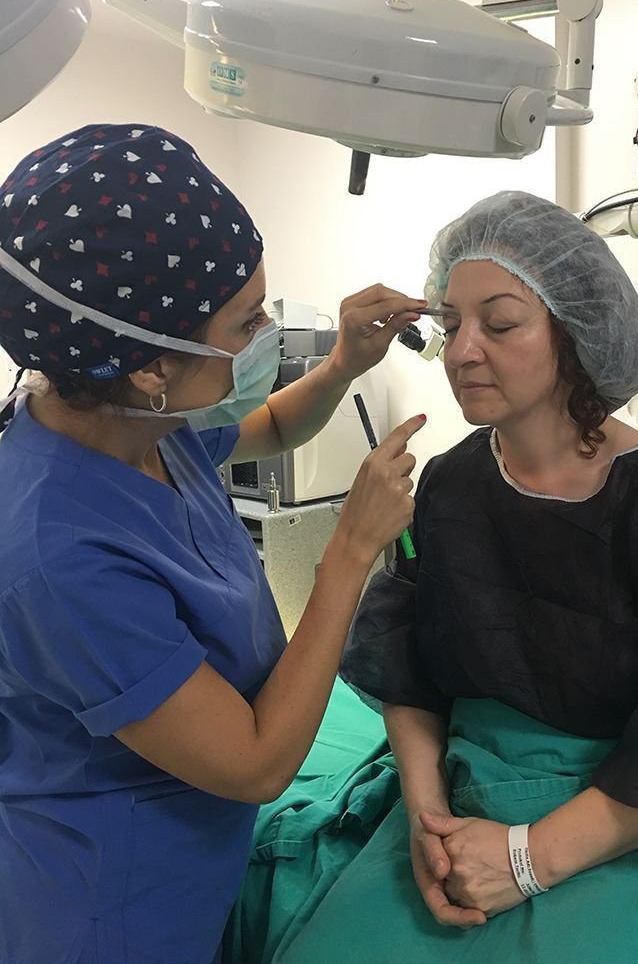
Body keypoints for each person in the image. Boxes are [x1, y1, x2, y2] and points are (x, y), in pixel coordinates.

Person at [256, 191, 638, 964]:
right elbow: (406, 662)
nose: (461, 351)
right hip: (458, 788)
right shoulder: (448, 484)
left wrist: (527, 859)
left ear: (577, 333)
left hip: (633, 815)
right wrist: (425, 814)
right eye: (451, 324)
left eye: (501, 323)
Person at [0, 123, 427, 964]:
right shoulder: (57, 552)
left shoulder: (134, 421)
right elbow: (257, 765)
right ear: (151, 367)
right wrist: (350, 550)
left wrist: (343, 363)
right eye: (247, 321)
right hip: (109, 901)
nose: (267, 332)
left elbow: (271, 426)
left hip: (202, 845)